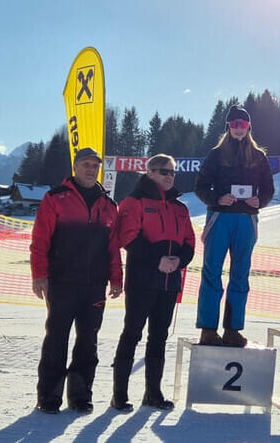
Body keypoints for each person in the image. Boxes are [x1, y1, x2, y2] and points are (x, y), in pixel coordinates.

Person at [30, 147, 122, 414]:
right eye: (86, 164)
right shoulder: (55, 198)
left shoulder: (109, 205)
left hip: (95, 285)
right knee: (57, 339)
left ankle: (81, 397)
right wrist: (39, 275)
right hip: (62, 282)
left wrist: (116, 278)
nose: (91, 169)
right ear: (75, 167)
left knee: (88, 341)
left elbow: (113, 247)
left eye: (95, 165)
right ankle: (49, 397)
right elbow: (40, 240)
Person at [111, 154, 196, 412]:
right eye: (163, 171)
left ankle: (153, 393)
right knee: (132, 334)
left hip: (170, 282)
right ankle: (119, 395)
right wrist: (157, 260)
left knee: (159, 337)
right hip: (142, 280)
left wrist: (178, 261)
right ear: (149, 173)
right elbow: (128, 238)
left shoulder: (180, 208)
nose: (169, 176)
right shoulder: (134, 201)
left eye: (172, 172)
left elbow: (190, 242)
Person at [194, 105, 274, 347]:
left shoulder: (259, 156)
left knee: (240, 275)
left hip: (246, 219)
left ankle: (232, 329)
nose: (239, 128)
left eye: (243, 124)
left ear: (249, 127)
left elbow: (268, 189)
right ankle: (208, 329)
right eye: (234, 124)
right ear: (228, 127)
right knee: (211, 272)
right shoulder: (216, 154)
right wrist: (217, 199)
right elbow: (200, 187)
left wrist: (259, 201)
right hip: (220, 217)